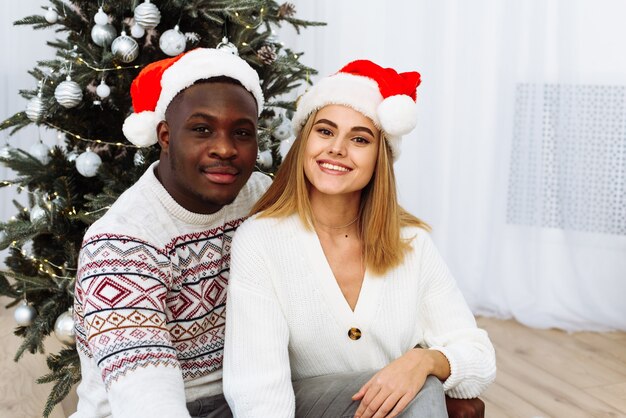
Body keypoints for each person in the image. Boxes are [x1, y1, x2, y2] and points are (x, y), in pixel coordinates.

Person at [223, 60, 497, 418]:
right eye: (325, 131)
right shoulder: (261, 239)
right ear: (304, 142)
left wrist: (425, 359)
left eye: (359, 139)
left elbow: (477, 356)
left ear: (379, 157)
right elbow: (256, 387)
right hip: (300, 409)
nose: (337, 149)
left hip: (388, 411)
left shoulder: (411, 242)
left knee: (422, 385)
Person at [71, 48, 270, 418]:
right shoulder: (122, 243)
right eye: (202, 129)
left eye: (242, 133)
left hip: (253, 394)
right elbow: (147, 399)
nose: (225, 148)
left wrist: (417, 355)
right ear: (165, 135)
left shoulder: (262, 197)